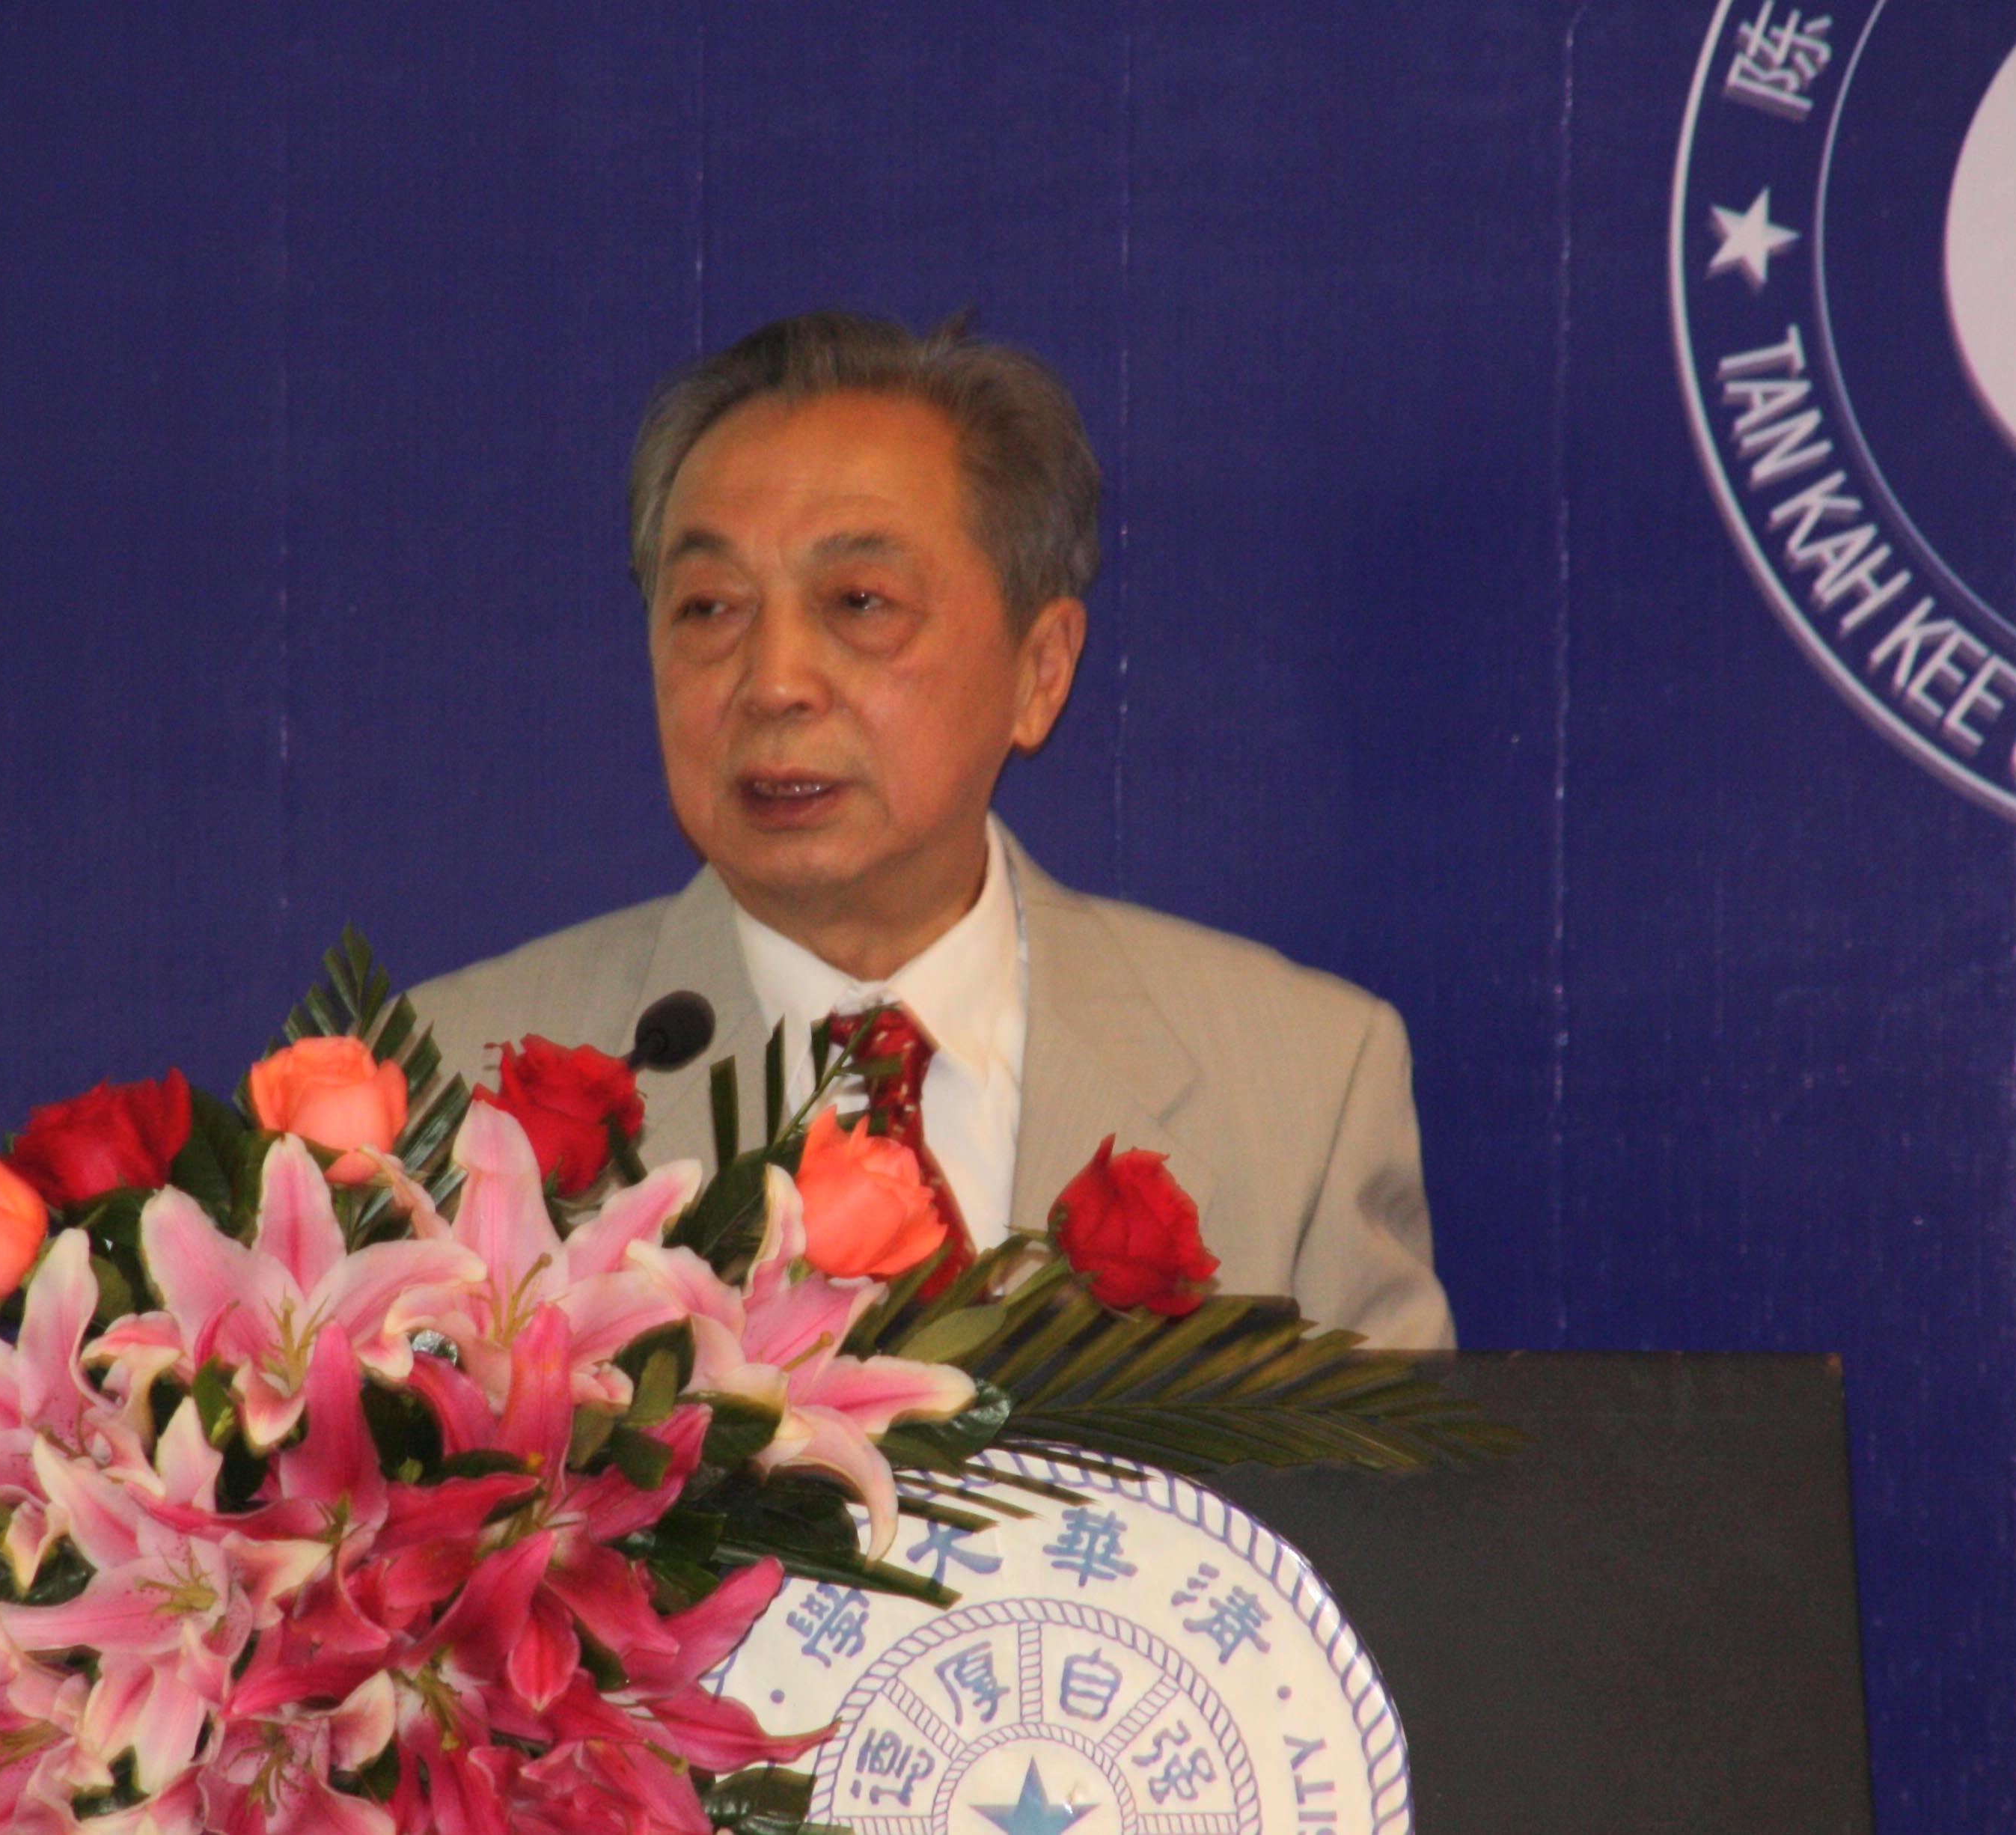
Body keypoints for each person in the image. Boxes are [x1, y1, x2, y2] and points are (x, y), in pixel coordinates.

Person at [410, 311, 1452, 1350]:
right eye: (710, 607)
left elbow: (1387, 1466)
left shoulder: (1301, 1089)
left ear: (1040, 672)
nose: (773, 682)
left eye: (860, 602)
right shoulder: (443, 1090)